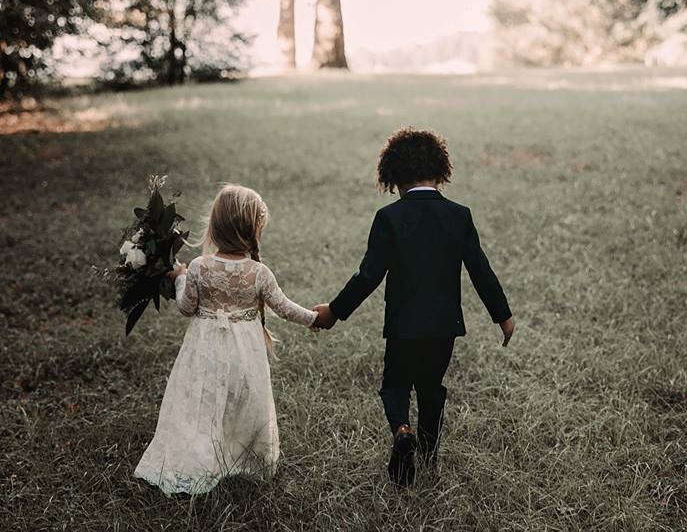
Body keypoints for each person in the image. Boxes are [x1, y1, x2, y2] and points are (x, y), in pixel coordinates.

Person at [312, 127, 515, 488]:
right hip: (444, 326)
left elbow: (367, 276)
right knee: (431, 386)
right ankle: (428, 452)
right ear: (441, 171)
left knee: (395, 385)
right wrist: (504, 316)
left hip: (403, 326)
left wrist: (334, 311)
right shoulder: (459, 215)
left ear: (394, 178)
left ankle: (402, 431)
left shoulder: (389, 218)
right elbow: (481, 270)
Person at [134, 184, 319, 495]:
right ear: (254, 228)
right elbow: (286, 308)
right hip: (245, 352)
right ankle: (243, 458)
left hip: (204, 350)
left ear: (215, 226)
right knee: (243, 401)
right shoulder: (259, 272)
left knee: (202, 404)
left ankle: (202, 457)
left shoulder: (198, 267)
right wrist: (316, 319)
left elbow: (186, 307)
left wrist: (179, 279)